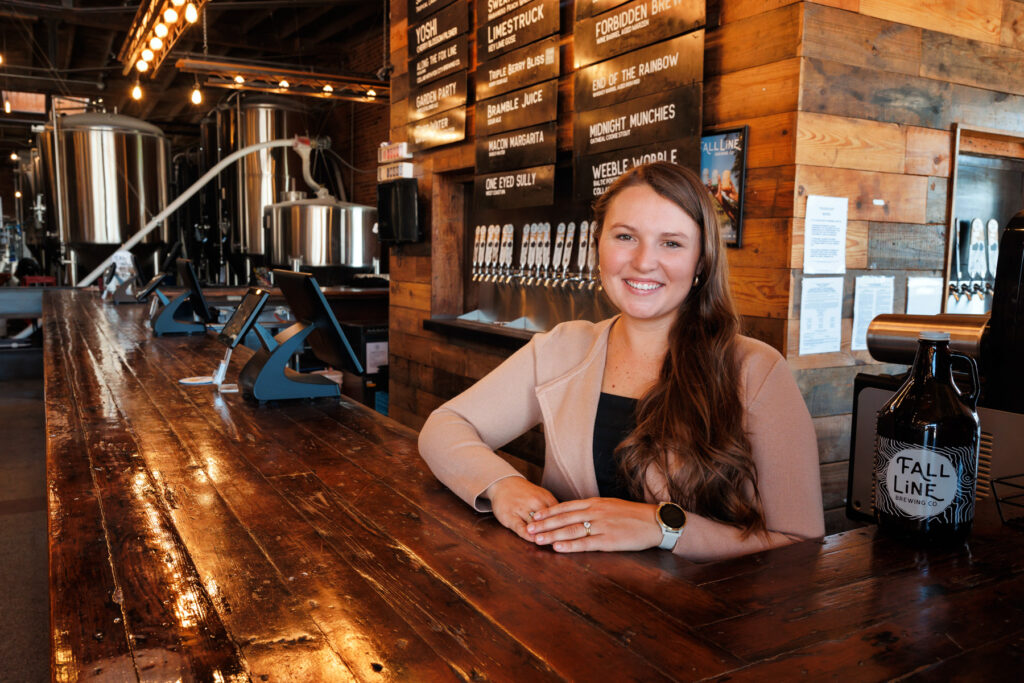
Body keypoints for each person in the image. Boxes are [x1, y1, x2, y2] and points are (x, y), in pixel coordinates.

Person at [418, 162, 824, 561]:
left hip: (703, 618)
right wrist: (502, 484)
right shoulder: (563, 348)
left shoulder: (754, 370)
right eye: (626, 236)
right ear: (599, 246)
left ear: (701, 262)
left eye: (672, 243)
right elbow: (444, 427)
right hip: (567, 608)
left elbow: (800, 543)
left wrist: (663, 527)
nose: (644, 261)